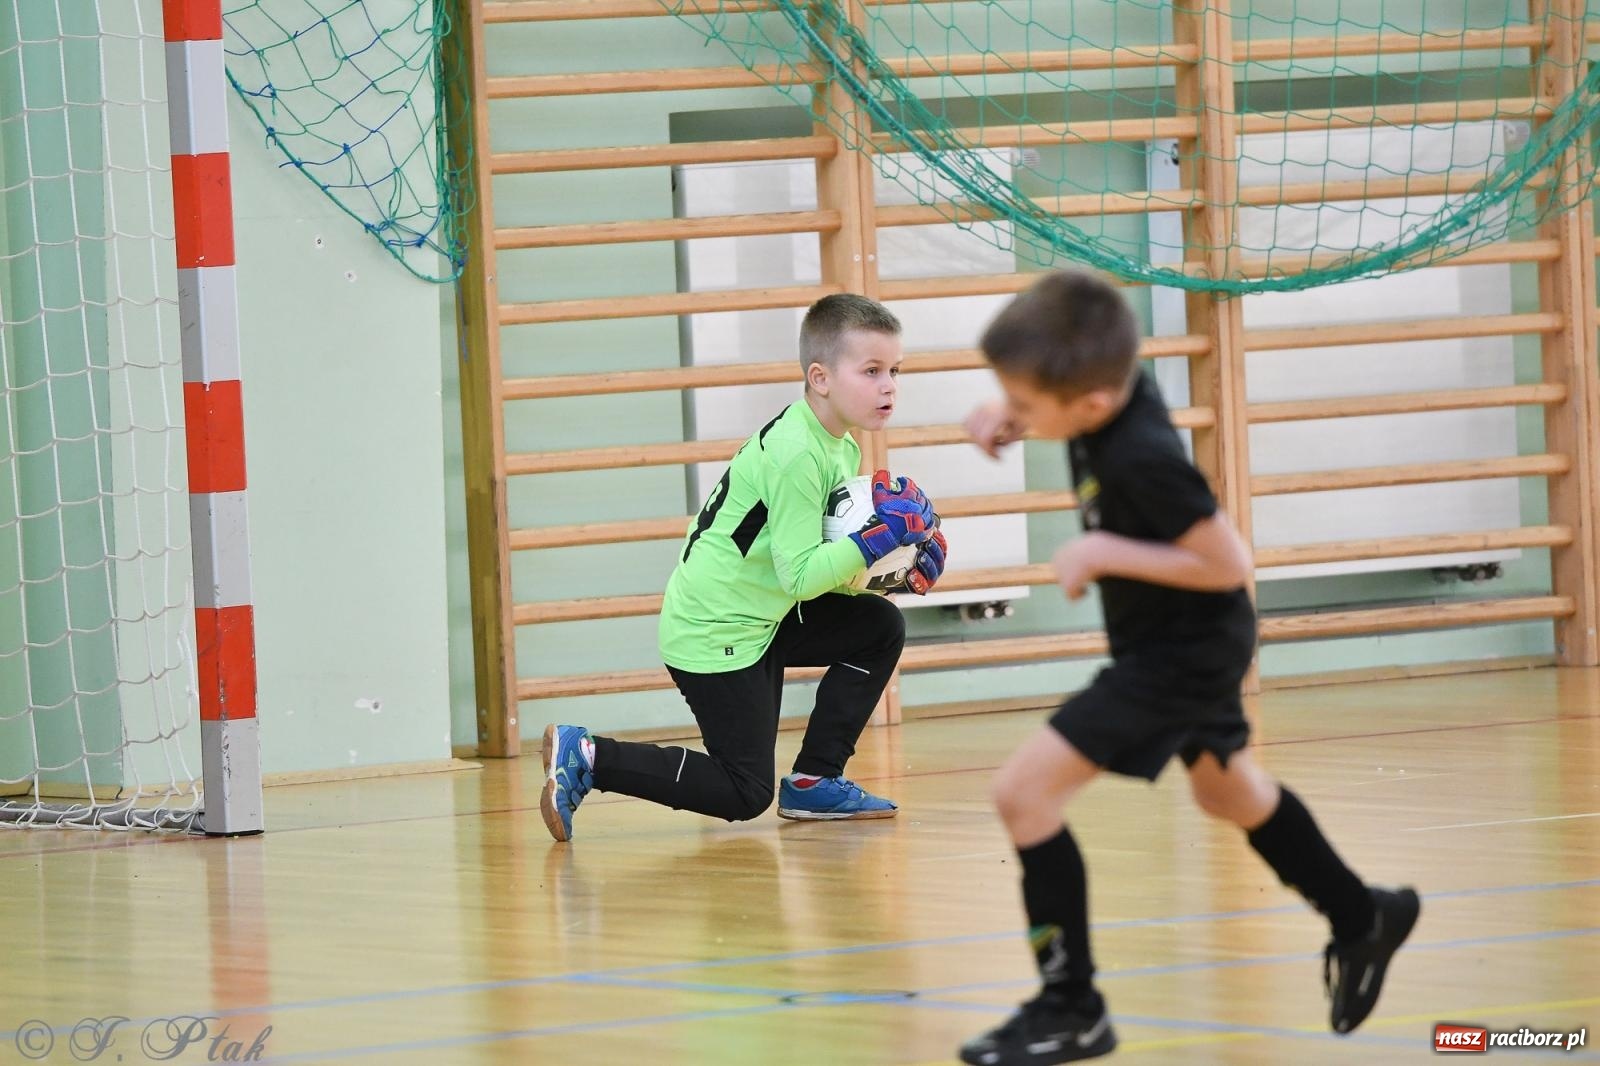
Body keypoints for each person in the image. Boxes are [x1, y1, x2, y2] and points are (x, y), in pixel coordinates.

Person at [957, 270, 1418, 1065]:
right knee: (1226, 790)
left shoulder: (1139, 456)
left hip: (1181, 653)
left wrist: (1104, 549)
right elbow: (1073, 392)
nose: (1019, 416)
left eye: (1028, 405)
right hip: (1175, 642)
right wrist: (1015, 414)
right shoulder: (1109, 395)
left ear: (1091, 405)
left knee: (1022, 793)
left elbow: (1226, 561)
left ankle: (1073, 1008)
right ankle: (1362, 915)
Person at [540, 294, 949, 842]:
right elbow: (802, 577)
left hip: (766, 613)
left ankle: (815, 779)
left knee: (878, 626)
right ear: (820, 378)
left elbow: (809, 565)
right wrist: (875, 545)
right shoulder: (798, 453)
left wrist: (889, 571)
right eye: (872, 370)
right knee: (744, 792)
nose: (889, 385)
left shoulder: (838, 446)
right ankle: (589, 757)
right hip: (717, 629)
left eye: (895, 370)